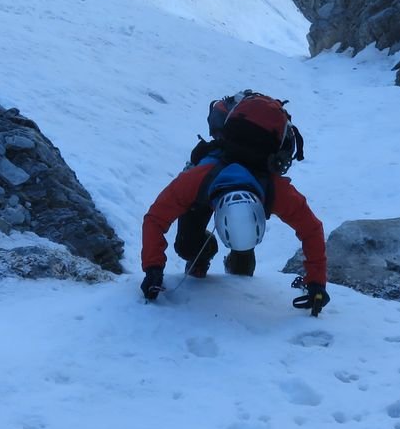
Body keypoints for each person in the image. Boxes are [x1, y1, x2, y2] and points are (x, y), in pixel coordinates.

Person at [139, 105, 329, 315]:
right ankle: (204, 253)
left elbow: (311, 230)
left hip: (235, 186)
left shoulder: (276, 190)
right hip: (205, 191)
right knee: (186, 246)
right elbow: (155, 219)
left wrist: (317, 283)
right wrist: (153, 268)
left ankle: (241, 264)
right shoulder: (196, 179)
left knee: (242, 249)